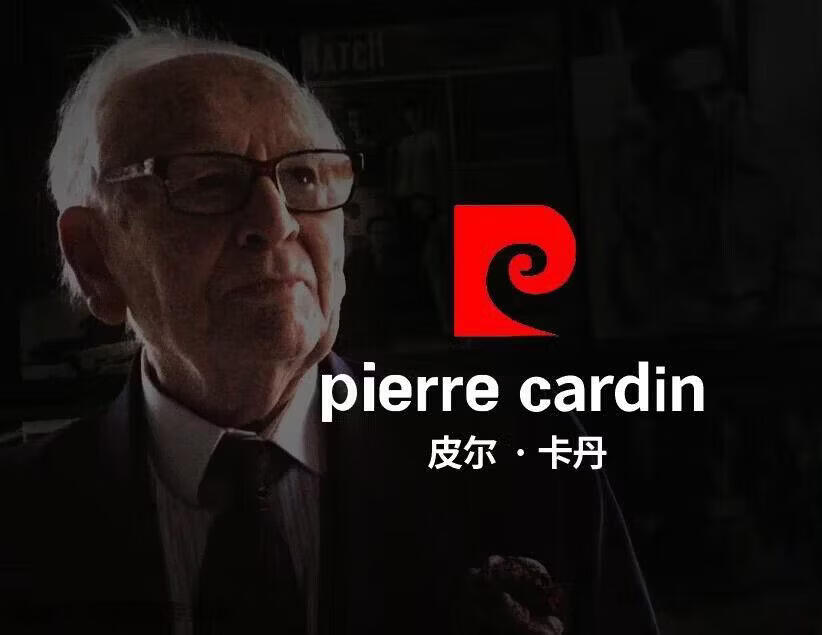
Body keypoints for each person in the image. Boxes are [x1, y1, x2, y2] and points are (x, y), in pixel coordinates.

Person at [0, 26, 658, 635]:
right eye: (208, 181)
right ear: (94, 258)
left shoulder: (528, 455)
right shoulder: (20, 517)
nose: (277, 220)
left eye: (305, 175)